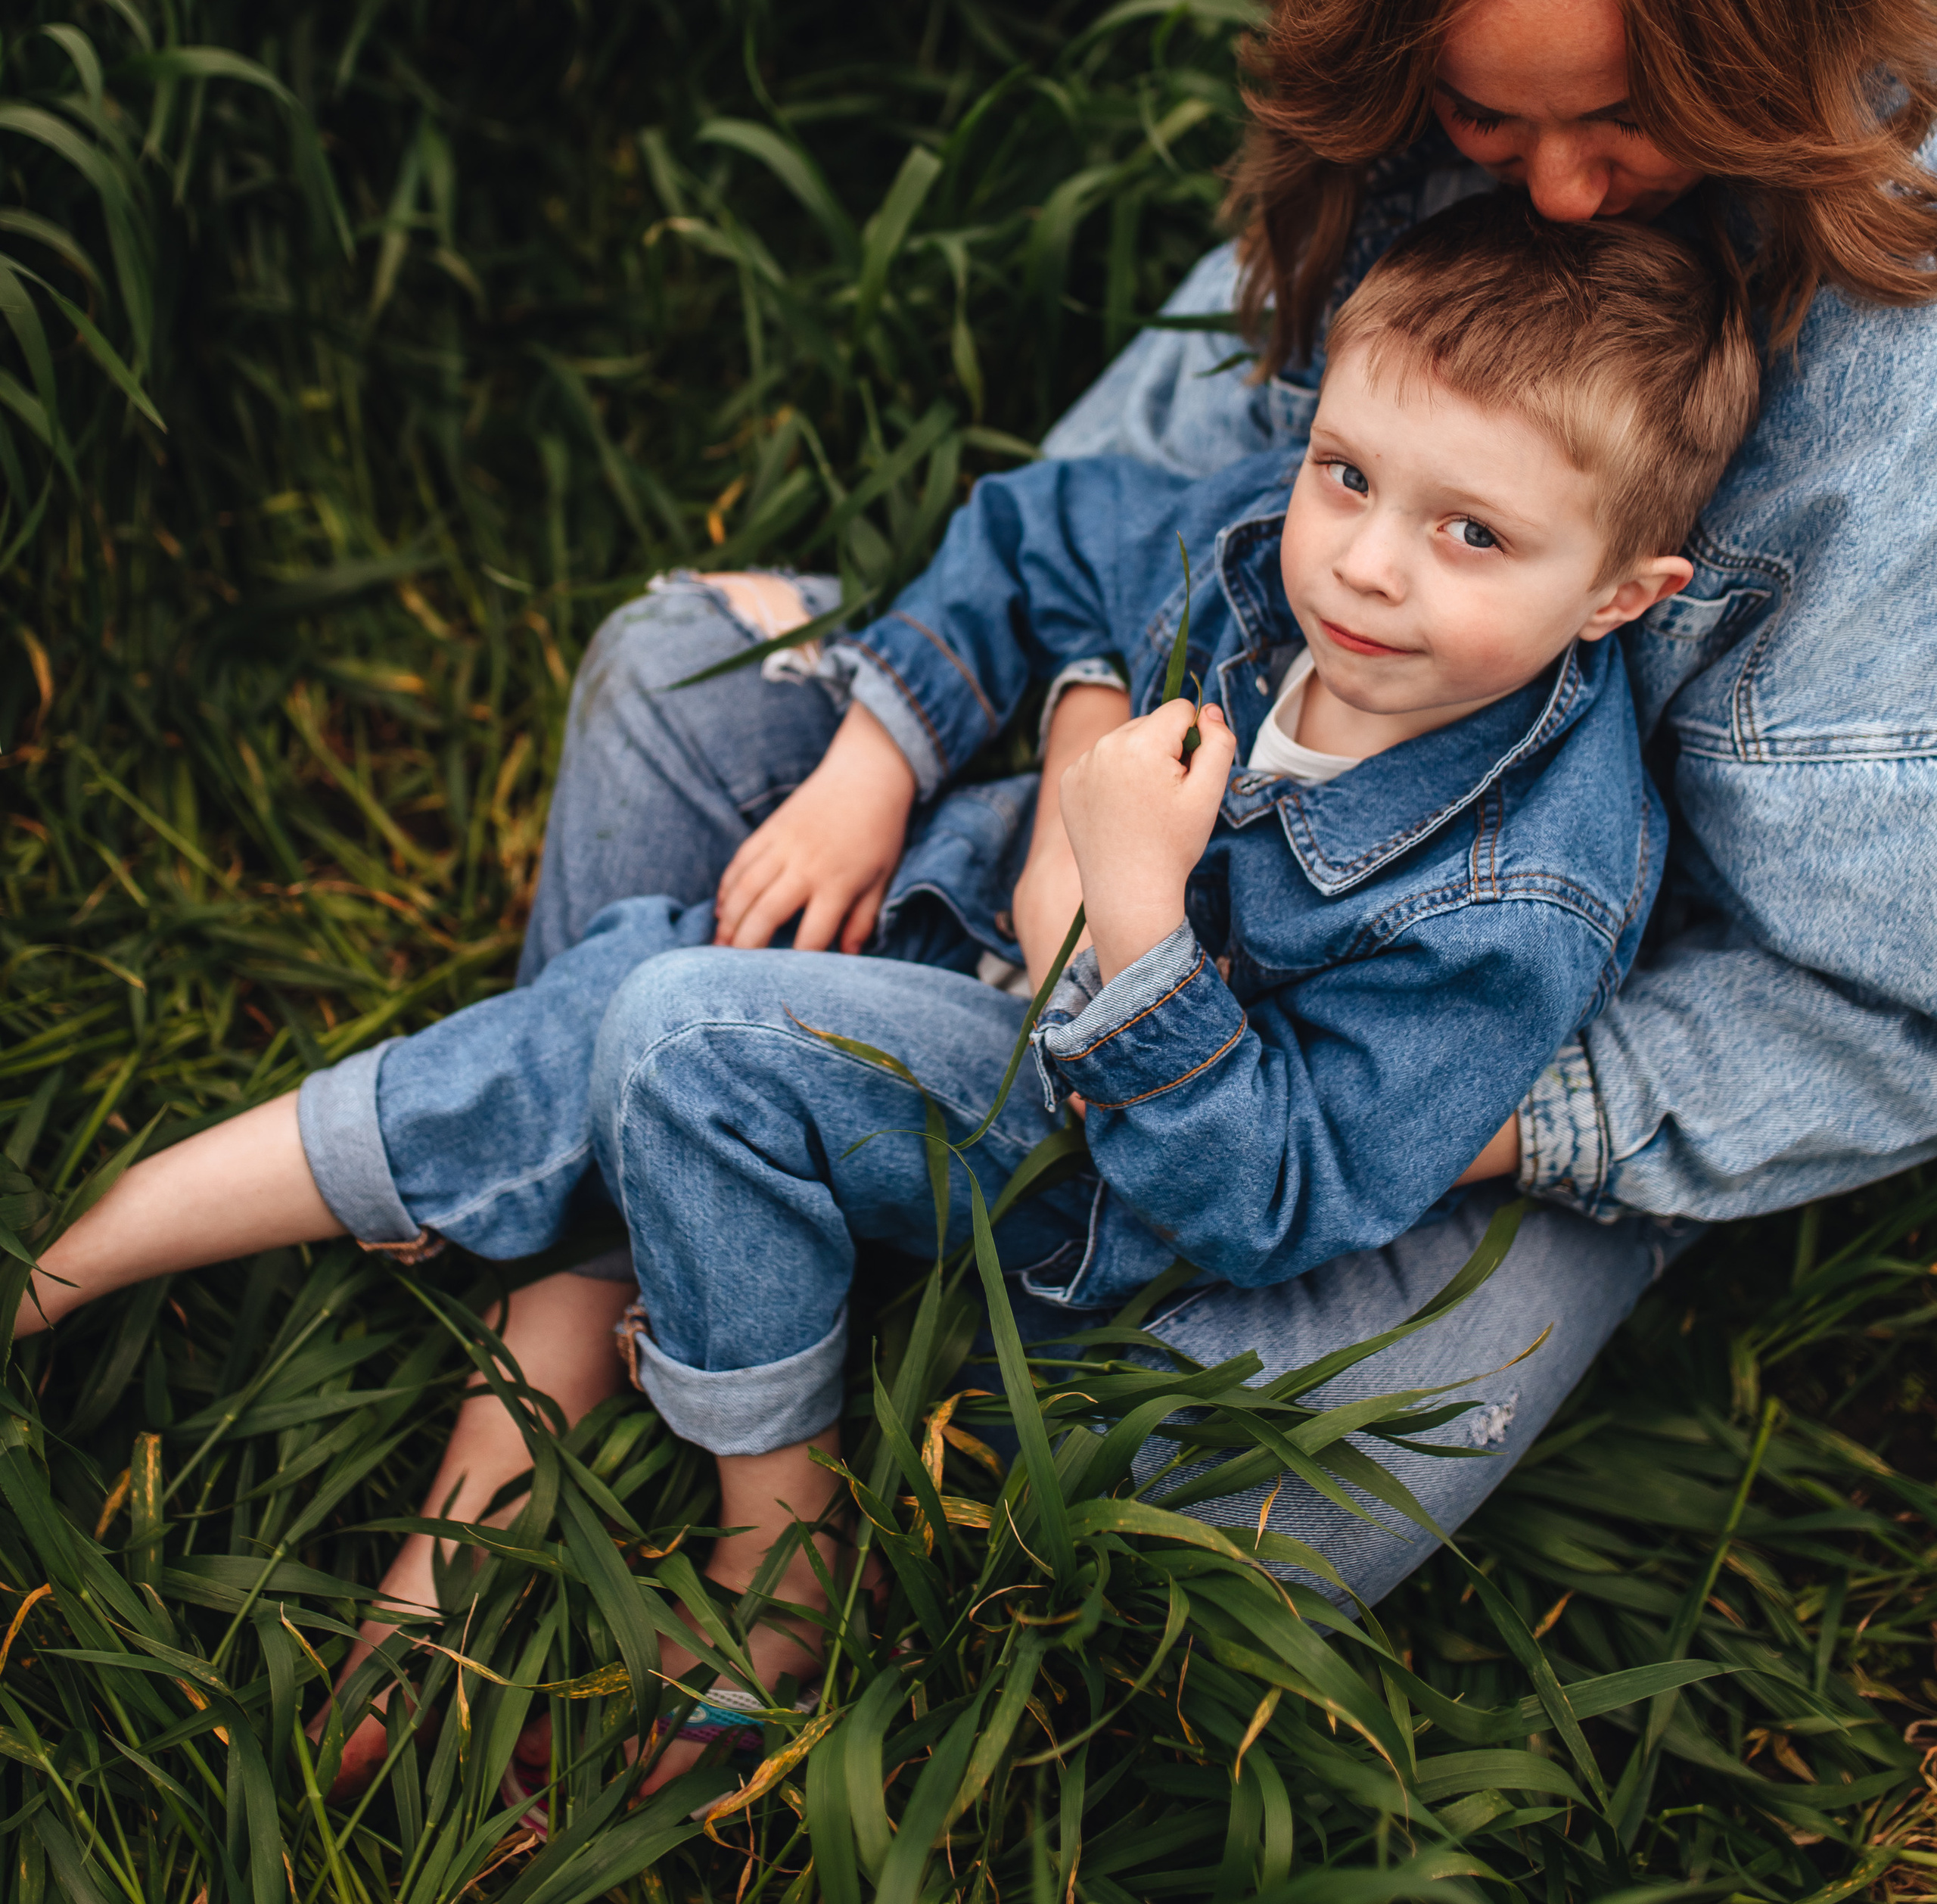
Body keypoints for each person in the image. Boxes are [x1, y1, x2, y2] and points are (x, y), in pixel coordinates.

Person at [17, 193, 1757, 1789]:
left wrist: (1141, 919)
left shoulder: (1522, 889)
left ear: (1621, 592)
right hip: (976, 967)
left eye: (1470, 534)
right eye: (1346, 475)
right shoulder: (1271, 544)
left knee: (690, 1033)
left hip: (1113, 1174)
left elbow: (1278, 1192)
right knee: (637, 992)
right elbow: (1044, 529)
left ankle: (776, 1552)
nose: (1367, 564)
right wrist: (876, 754)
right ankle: (81, 1258)